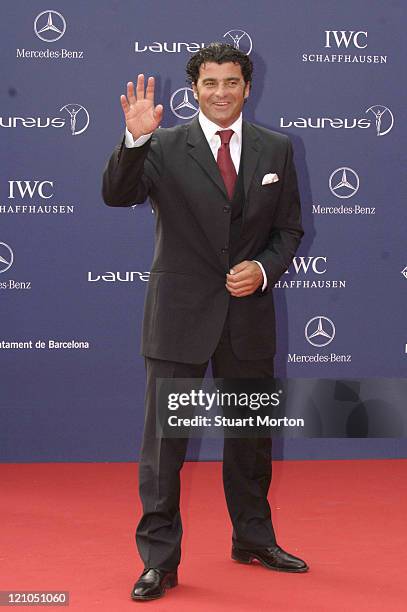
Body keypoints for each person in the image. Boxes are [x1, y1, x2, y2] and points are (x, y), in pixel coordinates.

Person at [103, 43, 307, 602]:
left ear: (248, 87)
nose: (221, 93)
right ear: (194, 89)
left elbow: (288, 231)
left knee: (251, 439)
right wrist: (135, 138)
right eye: (210, 83)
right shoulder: (164, 145)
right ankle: (159, 560)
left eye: (232, 82)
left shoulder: (278, 148)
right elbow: (117, 195)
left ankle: (253, 538)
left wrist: (263, 271)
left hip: (248, 318)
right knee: (165, 445)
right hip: (179, 318)